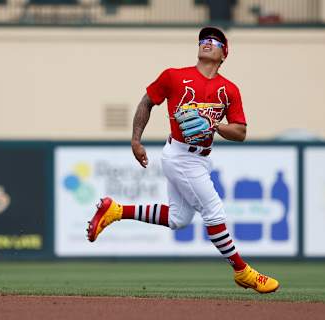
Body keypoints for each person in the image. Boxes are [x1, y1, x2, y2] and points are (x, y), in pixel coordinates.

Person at [86, 26, 279, 294]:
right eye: (203, 39)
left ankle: (117, 210)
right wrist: (135, 139)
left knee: (179, 219)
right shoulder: (175, 76)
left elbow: (241, 132)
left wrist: (214, 125)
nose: (207, 43)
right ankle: (242, 271)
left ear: (224, 53)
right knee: (214, 212)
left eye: (214, 41)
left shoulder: (229, 90)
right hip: (180, 154)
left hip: (200, 159)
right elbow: (147, 102)